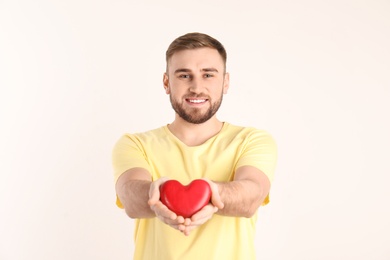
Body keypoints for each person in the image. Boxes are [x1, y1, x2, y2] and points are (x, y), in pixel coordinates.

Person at [112, 32, 277, 260]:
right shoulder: (135, 144)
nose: (196, 87)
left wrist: (210, 193)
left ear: (225, 82)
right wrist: (158, 193)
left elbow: (252, 196)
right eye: (184, 76)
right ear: (166, 82)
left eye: (208, 74)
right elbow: (130, 198)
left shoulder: (251, 140)